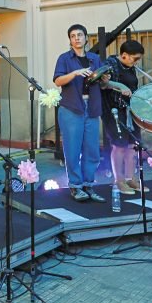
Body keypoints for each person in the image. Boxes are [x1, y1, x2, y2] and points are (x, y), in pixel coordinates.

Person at [53, 24, 107, 202]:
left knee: (92, 150)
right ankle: (75, 186)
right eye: (73, 36)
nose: (76, 38)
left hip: (91, 107)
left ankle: (88, 185)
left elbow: (102, 82)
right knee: (72, 149)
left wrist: (105, 78)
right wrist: (75, 73)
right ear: (70, 40)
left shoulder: (95, 58)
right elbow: (58, 80)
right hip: (71, 108)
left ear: (86, 38)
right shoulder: (64, 58)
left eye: (80, 35)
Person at [100, 40, 148, 195]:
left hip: (130, 110)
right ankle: (118, 180)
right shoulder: (110, 64)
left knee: (133, 146)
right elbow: (102, 83)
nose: (136, 62)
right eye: (135, 58)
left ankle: (130, 178)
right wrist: (119, 86)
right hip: (114, 110)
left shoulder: (130, 67)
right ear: (124, 55)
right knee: (119, 146)